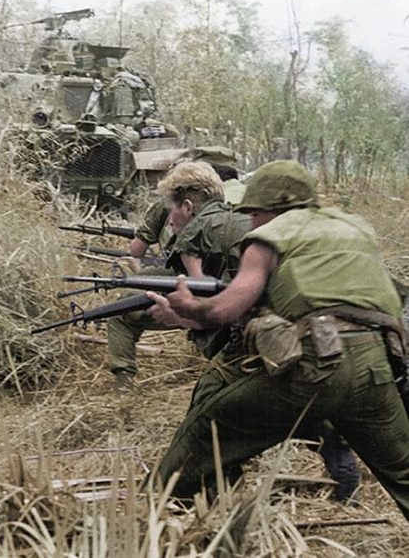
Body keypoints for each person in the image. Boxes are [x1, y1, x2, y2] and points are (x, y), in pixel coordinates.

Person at [147, 160, 409, 518]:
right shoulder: (354, 230)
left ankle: (154, 512)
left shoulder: (271, 236)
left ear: (268, 209)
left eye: (252, 213)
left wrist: (189, 306)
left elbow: (225, 309)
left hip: (316, 370)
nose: (249, 222)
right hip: (377, 370)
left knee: (207, 426)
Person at [107, 161, 250, 391]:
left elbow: (200, 297)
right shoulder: (238, 216)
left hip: (242, 332)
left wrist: (177, 316)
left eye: (171, 211)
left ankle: (123, 383)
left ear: (187, 207)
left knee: (121, 310)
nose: (170, 221)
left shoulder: (193, 234)